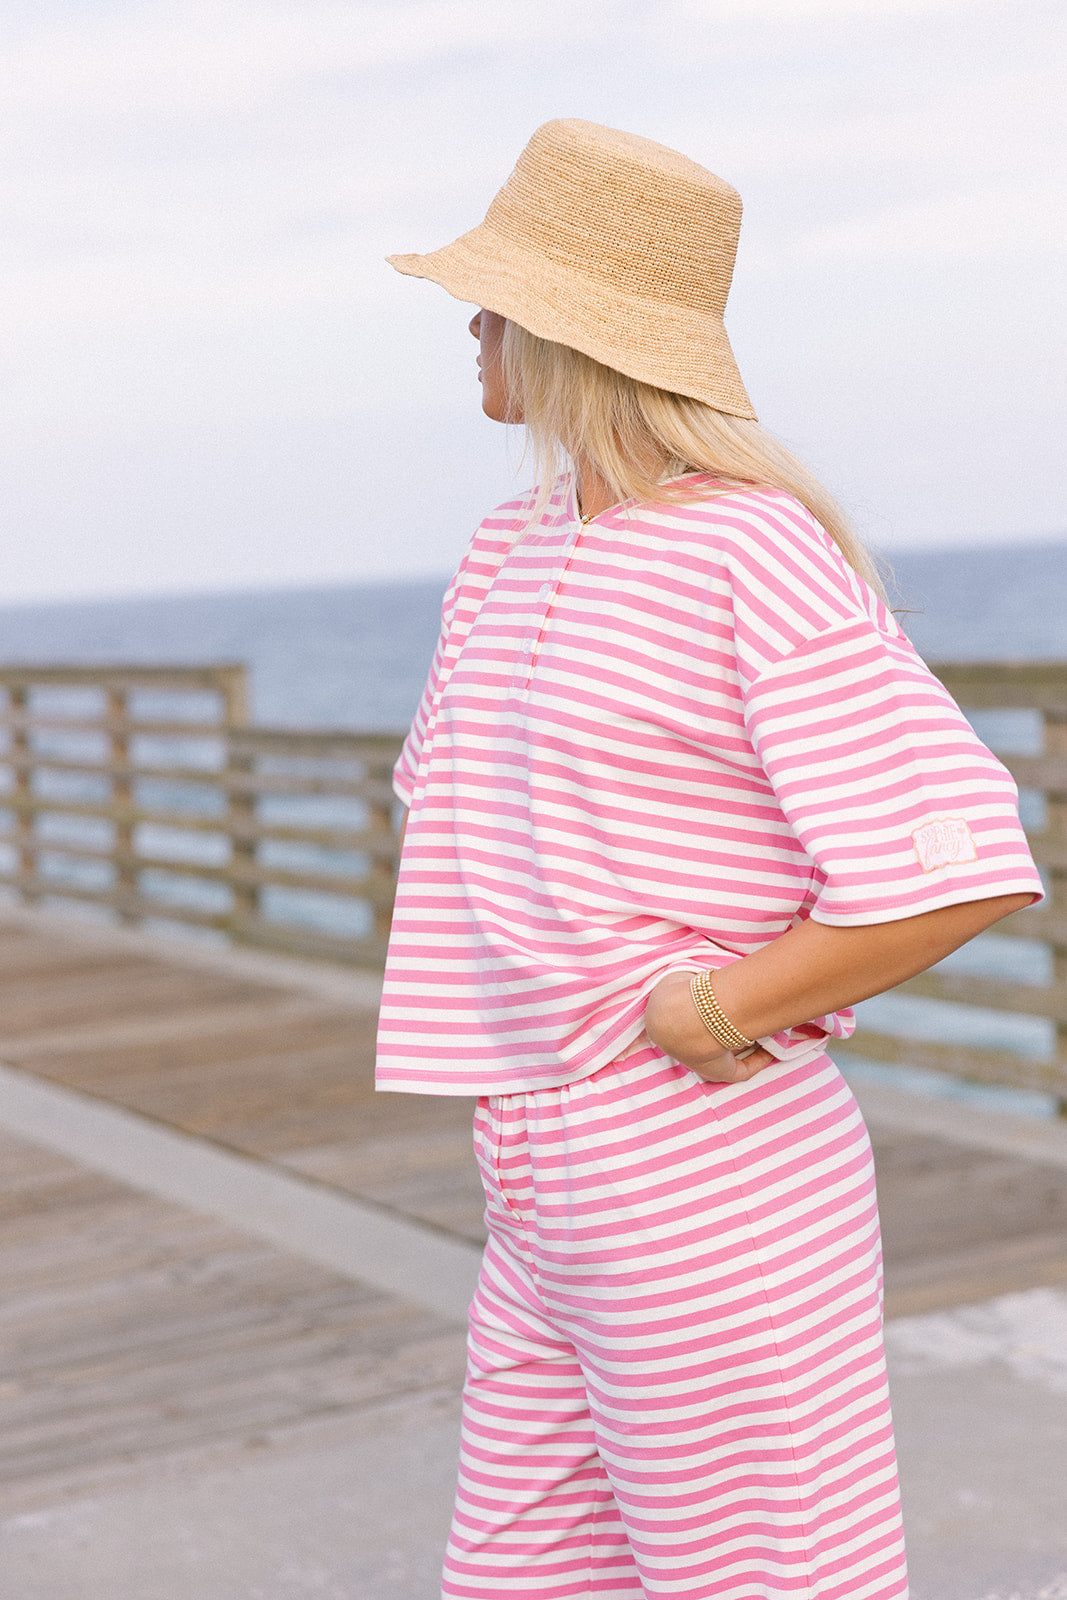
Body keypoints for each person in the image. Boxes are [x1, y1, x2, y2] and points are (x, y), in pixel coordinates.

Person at [378, 119, 1042, 1600]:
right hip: (535, 1173)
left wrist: (716, 1005)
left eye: (496, 299)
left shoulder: (749, 549)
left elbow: (960, 859)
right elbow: (472, 828)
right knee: (521, 1577)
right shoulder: (510, 548)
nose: (471, 325)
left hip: (706, 1170)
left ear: (567, 333)